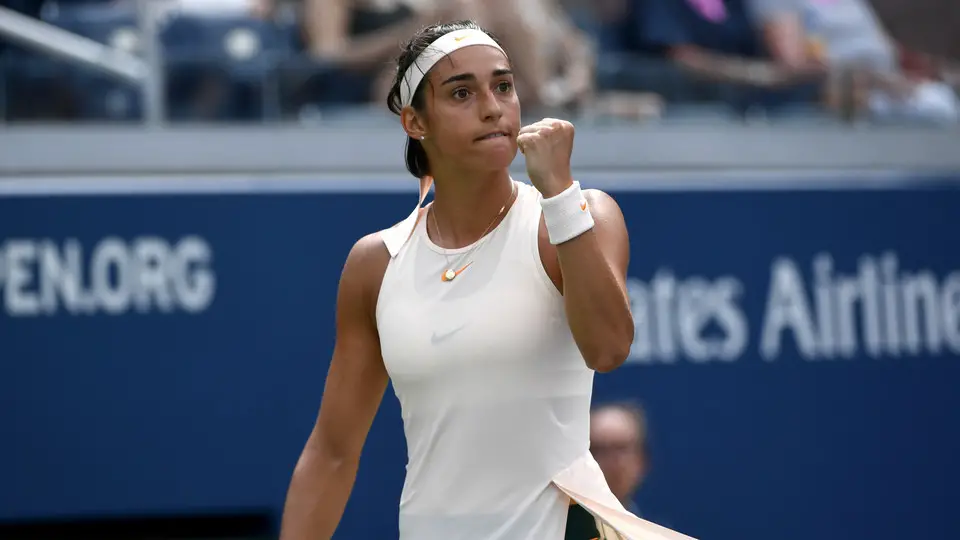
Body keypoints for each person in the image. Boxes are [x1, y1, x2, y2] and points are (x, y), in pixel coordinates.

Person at [278, 19, 694, 540]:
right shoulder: (375, 263)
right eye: (461, 93)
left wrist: (561, 196)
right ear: (415, 121)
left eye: (503, 86)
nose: (493, 107)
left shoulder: (577, 215)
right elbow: (332, 452)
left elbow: (608, 348)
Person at [590, 402, 650, 516]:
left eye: (621, 449)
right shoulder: (559, 525)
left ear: (641, 460)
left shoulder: (649, 527)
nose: (611, 462)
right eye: (599, 450)